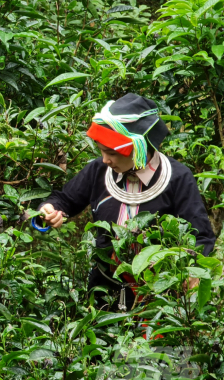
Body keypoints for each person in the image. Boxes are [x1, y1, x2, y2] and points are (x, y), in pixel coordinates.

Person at [38, 93, 216, 311]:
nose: (105, 160)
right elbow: (64, 200)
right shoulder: (98, 171)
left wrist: (190, 271)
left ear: (138, 148)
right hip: (104, 294)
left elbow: (201, 237)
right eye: (101, 151)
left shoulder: (177, 178)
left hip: (158, 299)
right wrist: (48, 210)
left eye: (111, 153)